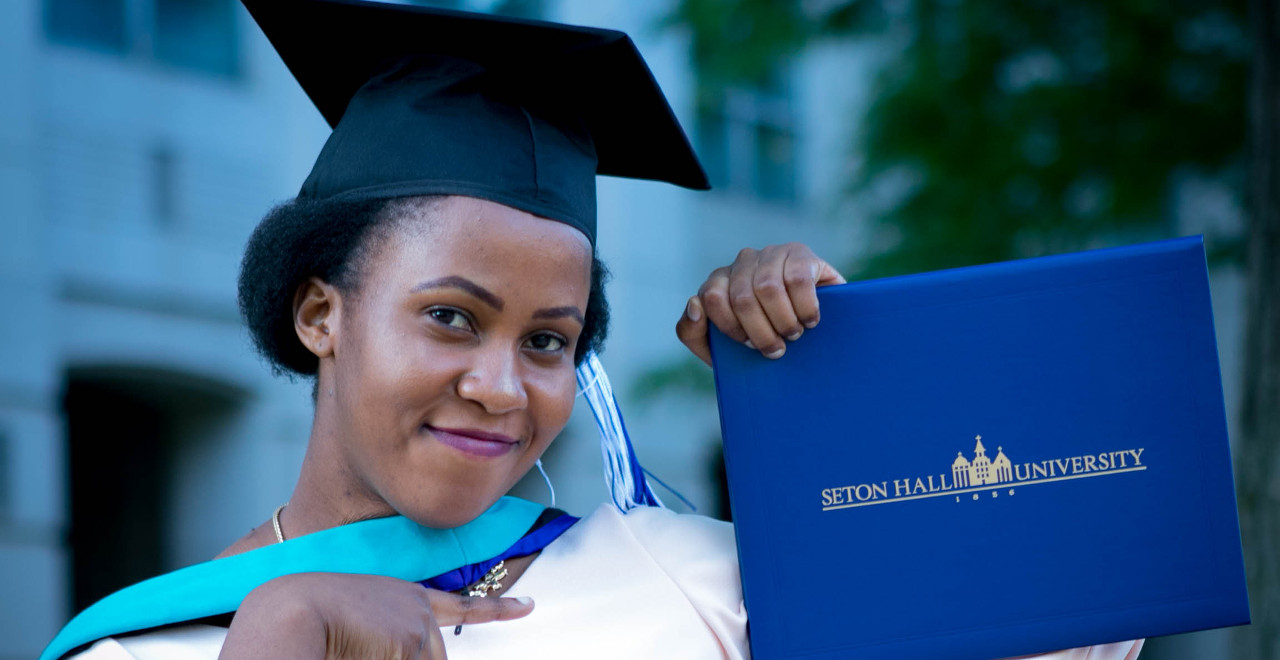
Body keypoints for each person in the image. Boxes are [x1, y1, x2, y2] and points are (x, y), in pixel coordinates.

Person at [41, 1, 1145, 658]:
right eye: (448, 318)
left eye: (548, 340)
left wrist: (852, 383)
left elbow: (1068, 608)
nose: (501, 387)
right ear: (320, 312)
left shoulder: (698, 586)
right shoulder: (140, 645)